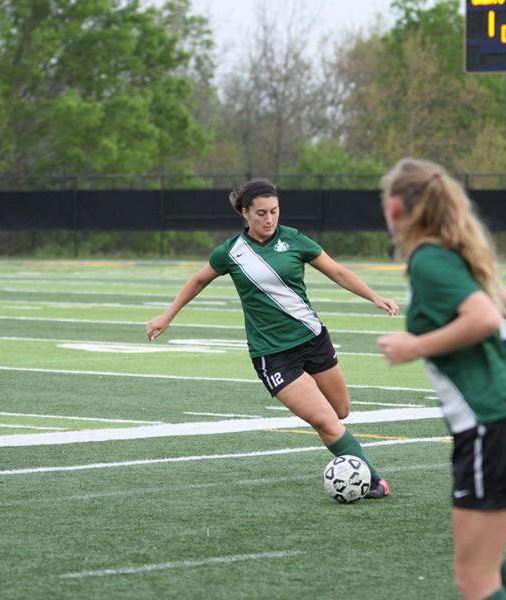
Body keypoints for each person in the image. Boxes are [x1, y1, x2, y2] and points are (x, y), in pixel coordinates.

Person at [376, 158, 506, 600]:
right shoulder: (452, 255)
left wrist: (413, 346)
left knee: (475, 582)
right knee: (486, 567)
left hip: (490, 429)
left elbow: (486, 315)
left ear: (395, 208)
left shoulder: (430, 261)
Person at [146, 178, 399, 499]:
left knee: (340, 411)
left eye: (274, 212)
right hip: (275, 355)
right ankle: (373, 480)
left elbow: (336, 271)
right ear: (245, 213)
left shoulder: (293, 240)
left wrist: (374, 297)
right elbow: (198, 280)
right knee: (325, 421)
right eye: (261, 213)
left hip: (314, 339)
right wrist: (167, 316)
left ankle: (351, 457)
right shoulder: (231, 252)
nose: (269, 219)